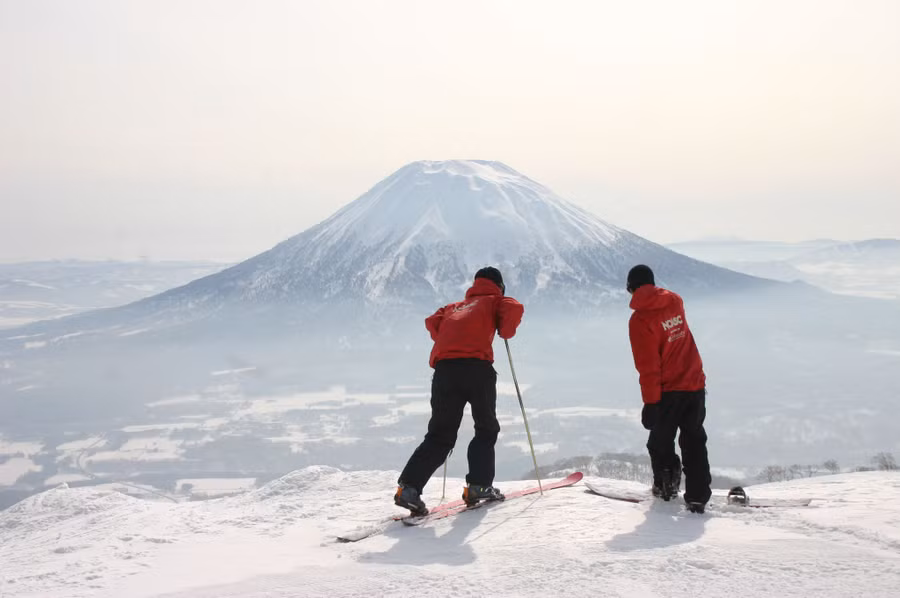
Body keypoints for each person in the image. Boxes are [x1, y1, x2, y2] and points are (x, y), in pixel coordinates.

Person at [394, 266, 525, 515]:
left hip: (444, 371)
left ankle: (408, 489)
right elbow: (512, 313)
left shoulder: (453, 307)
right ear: (499, 286)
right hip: (477, 370)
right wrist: (501, 326)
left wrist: (453, 337)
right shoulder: (497, 300)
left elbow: (432, 323)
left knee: (440, 435)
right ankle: (479, 486)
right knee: (486, 428)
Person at [626, 264, 712, 513]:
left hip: (668, 391)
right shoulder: (675, 301)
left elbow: (648, 367)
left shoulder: (640, 320)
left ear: (630, 288)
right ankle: (697, 497)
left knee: (659, 443)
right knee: (694, 440)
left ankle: (667, 486)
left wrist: (650, 403)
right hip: (695, 384)